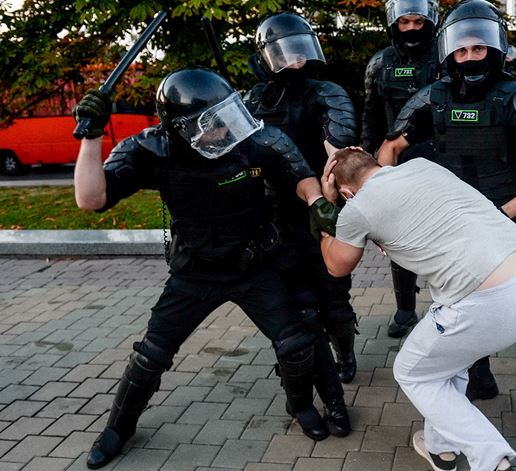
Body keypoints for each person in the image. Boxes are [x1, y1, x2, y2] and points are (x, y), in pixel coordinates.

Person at [72, 68, 346, 469]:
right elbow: (90, 199)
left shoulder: (251, 140)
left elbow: (299, 175)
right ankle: (118, 428)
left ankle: (300, 405)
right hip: (194, 273)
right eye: (210, 123)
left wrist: (314, 201)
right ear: (180, 128)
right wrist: (92, 137)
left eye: (226, 115)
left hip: (253, 266)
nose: (223, 129)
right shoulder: (152, 151)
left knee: (296, 344)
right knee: (151, 356)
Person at [376, 0, 516, 458]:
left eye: (479, 47)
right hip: (451, 230)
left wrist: (501, 213)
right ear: (449, 52)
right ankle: (478, 382)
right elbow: (388, 148)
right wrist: (392, 208)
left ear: (497, 48)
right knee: (457, 310)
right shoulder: (431, 97)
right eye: (461, 50)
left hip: (510, 226)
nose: (471, 57)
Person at [319, 148, 516, 471]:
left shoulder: (357, 208)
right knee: (443, 363)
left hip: (486, 300)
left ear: (346, 191)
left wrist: (325, 204)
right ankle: (441, 450)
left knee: (411, 372)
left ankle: (491, 457)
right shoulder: (422, 166)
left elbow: (335, 266)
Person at [245, 12, 360, 396]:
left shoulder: (325, 93)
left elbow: (337, 146)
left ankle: (345, 351)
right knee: (295, 298)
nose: (295, 63)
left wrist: (333, 181)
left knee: (334, 296)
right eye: (285, 55)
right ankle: (304, 361)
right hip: (274, 212)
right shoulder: (252, 100)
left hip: (320, 205)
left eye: (300, 54)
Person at [361, 0, 443, 339]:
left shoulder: (446, 56)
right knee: (398, 238)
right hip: (395, 161)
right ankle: (405, 309)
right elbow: (370, 115)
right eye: (405, 21)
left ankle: (448, 305)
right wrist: (366, 162)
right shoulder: (380, 63)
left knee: (444, 236)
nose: (411, 27)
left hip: (442, 161)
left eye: (418, 21)